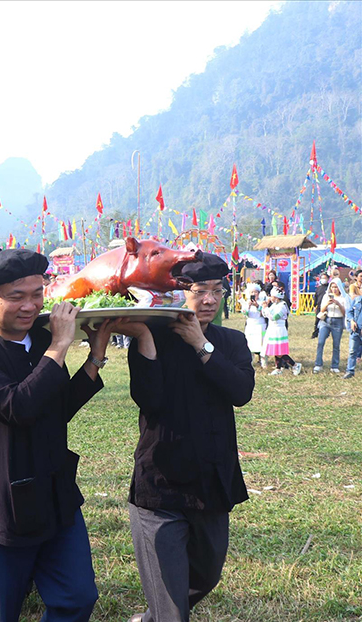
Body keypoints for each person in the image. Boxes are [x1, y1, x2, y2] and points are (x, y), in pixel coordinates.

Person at [0, 248, 115, 622]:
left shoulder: (39, 341)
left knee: (77, 596)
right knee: (0, 614)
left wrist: (95, 356)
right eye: (16, 296)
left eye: (37, 294)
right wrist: (59, 345)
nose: (30, 305)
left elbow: (53, 408)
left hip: (54, 493)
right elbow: (17, 407)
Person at [117, 253, 255, 622]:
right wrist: (145, 338)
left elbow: (241, 392)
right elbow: (150, 400)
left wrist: (201, 344)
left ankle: (155, 615)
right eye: (200, 291)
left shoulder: (231, 342)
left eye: (217, 291)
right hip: (160, 482)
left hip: (212, 479)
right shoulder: (152, 338)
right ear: (179, 292)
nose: (209, 299)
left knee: (207, 575)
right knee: (173, 612)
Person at [263, 286, 300, 375]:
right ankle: (278, 368)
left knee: (280, 351)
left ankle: (295, 365)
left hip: (279, 329)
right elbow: (265, 315)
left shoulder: (282, 306)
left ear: (276, 297)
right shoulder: (274, 305)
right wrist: (264, 307)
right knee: (276, 349)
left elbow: (274, 317)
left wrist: (266, 308)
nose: (270, 298)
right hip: (272, 329)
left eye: (271, 296)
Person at [314, 279, 347, 374]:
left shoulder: (343, 298)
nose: (334, 289)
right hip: (326, 320)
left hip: (338, 321)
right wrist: (328, 303)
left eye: (336, 287)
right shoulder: (326, 296)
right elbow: (321, 309)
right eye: (332, 287)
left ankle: (335, 365)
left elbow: (345, 312)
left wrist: (338, 303)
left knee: (336, 345)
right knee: (320, 342)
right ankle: (318, 364)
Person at [242, 283, 267, 368]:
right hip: (250, 325)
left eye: (255, 292)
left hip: (260, 324)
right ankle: (250, 362)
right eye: (252, 292)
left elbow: (264, 313)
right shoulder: (247, 302)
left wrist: (257, 305)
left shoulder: (262, 302)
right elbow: (244, 313)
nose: (254, 294)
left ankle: (263, 362)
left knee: (262, 344)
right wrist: (248, 306)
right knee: (250, 344)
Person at [345, 287, 362, 379]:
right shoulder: (357, 300)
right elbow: (349, 311)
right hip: (356, 330)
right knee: (352, 351)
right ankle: (350, 371)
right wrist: (351, 321)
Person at [311, 273, 330, 338]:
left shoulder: (329, 288)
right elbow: (316, 297)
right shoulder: (318, 288)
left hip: (328, 306)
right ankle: (315, 333)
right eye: (322, 278)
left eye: (325, 278)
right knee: (317, 320)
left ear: (328, 279)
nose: (323, 280)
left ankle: (327, 334)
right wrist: (314, 306)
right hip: (319, 306)